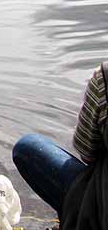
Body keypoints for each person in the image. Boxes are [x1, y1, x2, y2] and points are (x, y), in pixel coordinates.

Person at [13, 61, 108, 230]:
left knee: (27, 148)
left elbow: (86, 151)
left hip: (101, 214)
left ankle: (75, 217)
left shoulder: (104, 78)